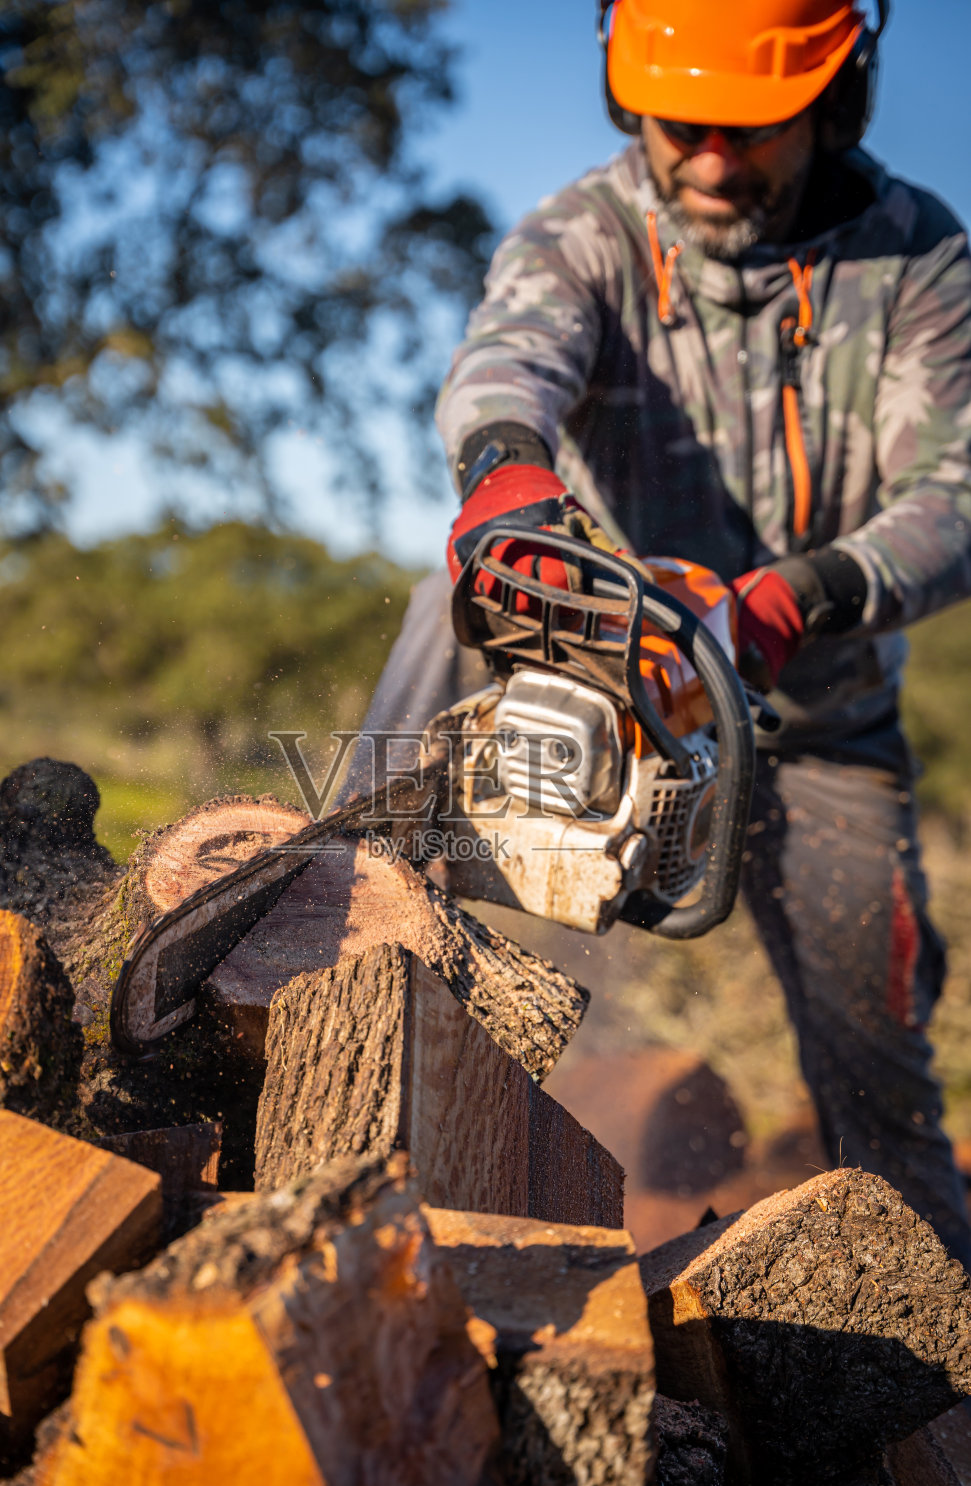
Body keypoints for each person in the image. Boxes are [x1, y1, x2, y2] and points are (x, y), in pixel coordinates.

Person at [363, 0, 971, 1263]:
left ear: (834, 93)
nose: (704, 156)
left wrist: (787, 598)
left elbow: (955, 498)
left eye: (745, 129)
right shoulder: (583, 233)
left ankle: (931, 1393)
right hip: (605, 666)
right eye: (676, 122)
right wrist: (503, 473)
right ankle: (347, 908)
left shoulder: (916, 256)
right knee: (448, 603)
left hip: (817, 722)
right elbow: (502, 364)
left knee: (880, 1087)